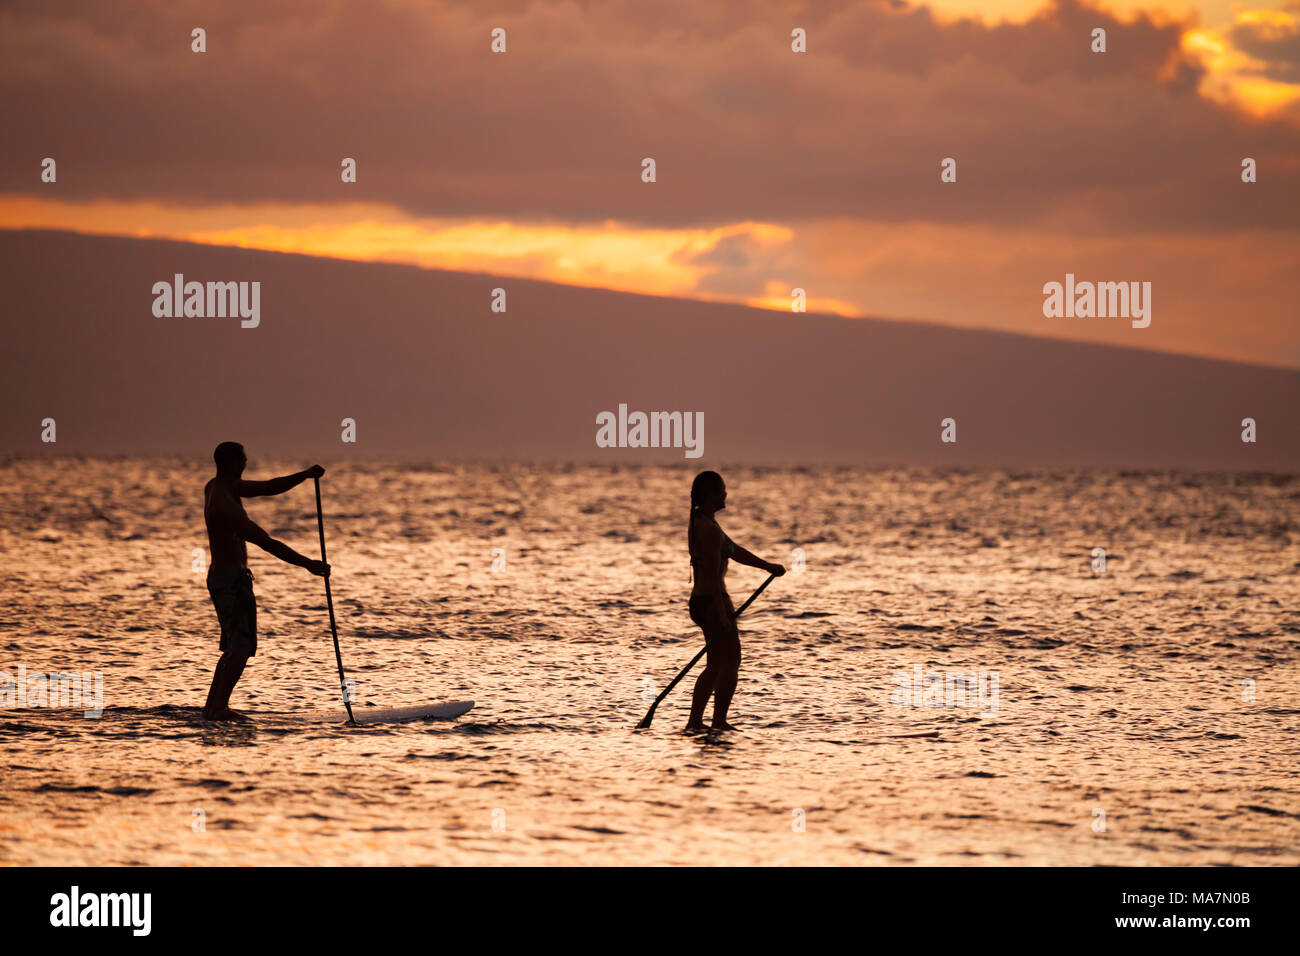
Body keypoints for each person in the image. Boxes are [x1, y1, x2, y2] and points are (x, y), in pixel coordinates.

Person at [201, 442, 328, 721]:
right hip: (231, 582)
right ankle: (218, 708)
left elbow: (269, 487)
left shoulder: (220, 485)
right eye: (243, 460)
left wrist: (304, 475)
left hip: (224, 579)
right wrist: (308, 564)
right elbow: (266, 542)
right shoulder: (224, 502)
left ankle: (212, 708)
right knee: (241, 647)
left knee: (234, 646)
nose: (246, 465)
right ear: (234, 463)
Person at [686, 470, 784, 732]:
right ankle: (697, 722)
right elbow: (709, 576)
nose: (725, 494)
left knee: (729, 660)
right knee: (719, 663)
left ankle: (717, 722)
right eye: (722, 490)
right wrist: (721, 615)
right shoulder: (705, 529)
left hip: (711, 601)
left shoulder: (708, 523)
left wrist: (767, 566)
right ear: (710, 495)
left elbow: (734, 550)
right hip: (710, 602)